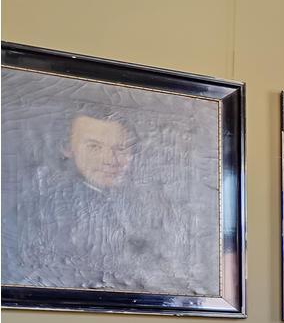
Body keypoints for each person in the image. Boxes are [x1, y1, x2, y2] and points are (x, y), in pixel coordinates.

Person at [3, 105, 213, 296]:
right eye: (94, 147)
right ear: (67, 148)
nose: (110, 160)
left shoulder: (151, 208)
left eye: (121, 149)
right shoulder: (34, 213)